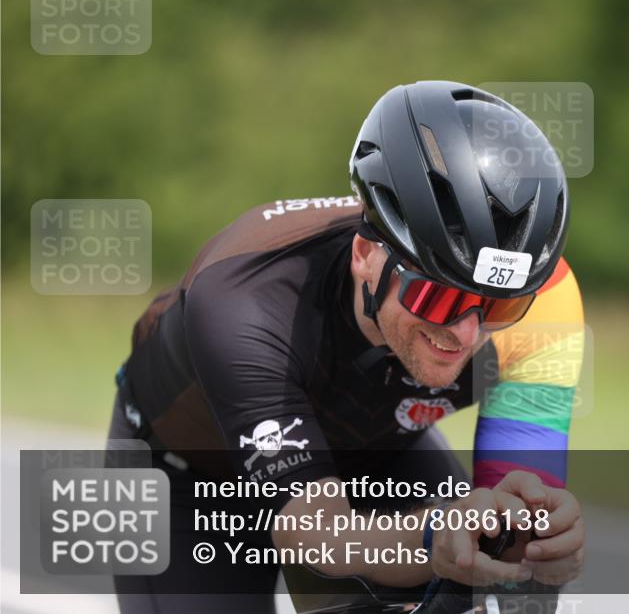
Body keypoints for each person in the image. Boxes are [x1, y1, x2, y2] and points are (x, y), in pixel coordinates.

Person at [108, 81, 586, 613]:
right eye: (439, 296)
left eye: (497, 307)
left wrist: (530, 551)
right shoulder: (245, 298)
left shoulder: (548, 303)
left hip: (373, 451)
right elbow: (317, 533)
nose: (467, 335)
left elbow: (515, 540)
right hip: (192, 474)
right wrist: (433, 540)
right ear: (366, 254)